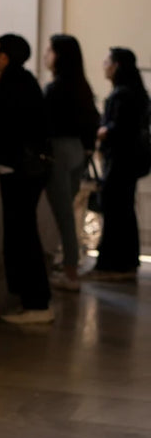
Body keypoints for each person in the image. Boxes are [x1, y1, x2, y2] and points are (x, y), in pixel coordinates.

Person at [0, 33, 54, 324]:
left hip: (19, 168)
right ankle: (35, 302)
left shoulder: (10, 82)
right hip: (29, 169)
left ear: (4, 57)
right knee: (24, 233)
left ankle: (36, 304)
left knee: (22, 234)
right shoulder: (24, 80)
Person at [42, 35, 100, 291]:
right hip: (78, 150)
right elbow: (92, 120)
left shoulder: (56, 88)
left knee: (64, 215)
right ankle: (69, 267)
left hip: (60, 150)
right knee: (67, 214)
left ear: (59, 56)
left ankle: (70, 272)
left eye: (49, 50)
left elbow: (44, 122)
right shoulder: (81, 86)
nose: (46, 55)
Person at [87, 47, 150, 280]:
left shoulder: (123, 95)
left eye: (107, 61)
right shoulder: (135, 93)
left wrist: (103, 132)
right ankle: (125, 264)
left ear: (116, 66)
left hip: (120, 162)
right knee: (123, 211)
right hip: (129, 162)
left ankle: (113, 265)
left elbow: (120, 129)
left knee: (115, 212)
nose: (104, 65)